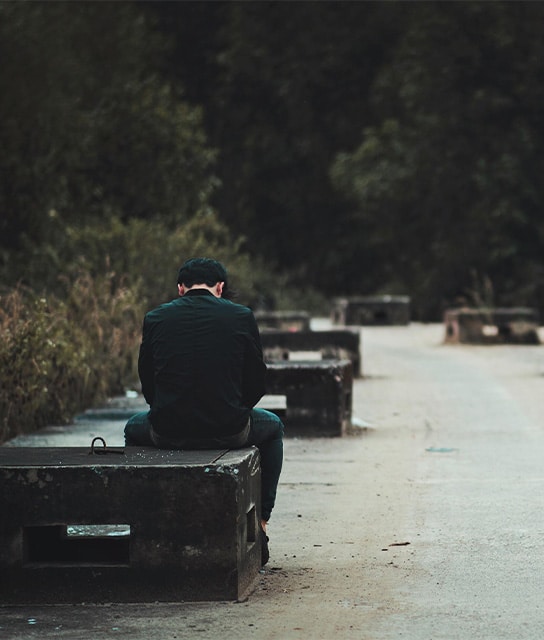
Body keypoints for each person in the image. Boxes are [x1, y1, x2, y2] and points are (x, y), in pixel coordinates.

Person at [124, 257, 284, 565]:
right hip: (229, 430)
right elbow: (256, 382)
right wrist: (233, 409)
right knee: (273, 427)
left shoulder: (155, 317)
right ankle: (262, 522)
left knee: (133, 428)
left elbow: (148, 383)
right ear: (220, 288)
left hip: (166, 431)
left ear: (181, 288)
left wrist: (168, 411)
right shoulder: (242, 316)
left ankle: (143, 523)